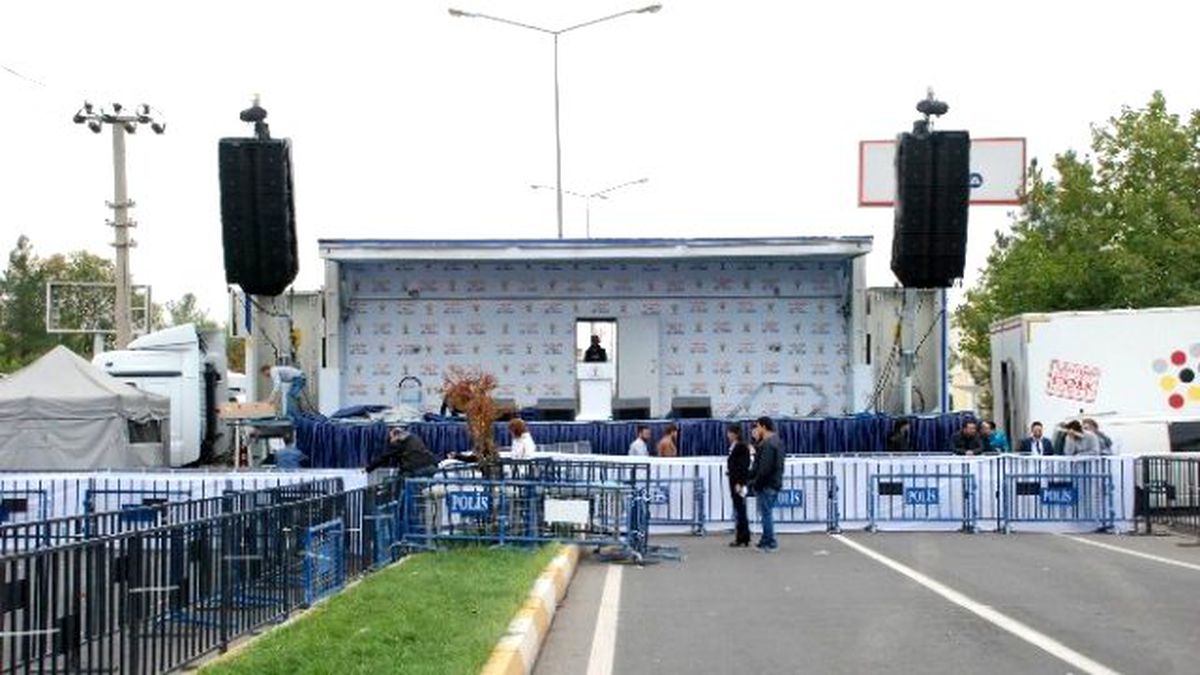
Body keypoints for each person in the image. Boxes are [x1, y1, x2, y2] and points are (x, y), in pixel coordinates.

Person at [748, 416, 785, 552]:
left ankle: (770, 541)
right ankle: (765, 539)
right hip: (774, 482)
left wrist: (755, 483)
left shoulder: (768, 444)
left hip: (767, 484)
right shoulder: (776, 442)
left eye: (757, 426)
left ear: (763, 426)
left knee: (766, 514)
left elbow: (764, 469)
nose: (755, 429)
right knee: (766, 513)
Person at [366, 427, 439, 477]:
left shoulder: (399, 442)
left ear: (395, 436)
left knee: (399, 483)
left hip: (416, 469)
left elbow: (384, 457)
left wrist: (369, 469)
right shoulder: (414, 437)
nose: (390, 441)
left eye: (390, 438)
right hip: (431, 466)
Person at [725, 424, 752, 548]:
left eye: (729, 433)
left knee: (740, 509)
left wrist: (739, 483)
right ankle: (742, 536)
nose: (728, 435)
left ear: (735, 433)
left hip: (737, 482)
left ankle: (742, 536)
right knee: (740, 509)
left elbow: (742, 467)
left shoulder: (740, 447)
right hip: (735, 480)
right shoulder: (736, 446)